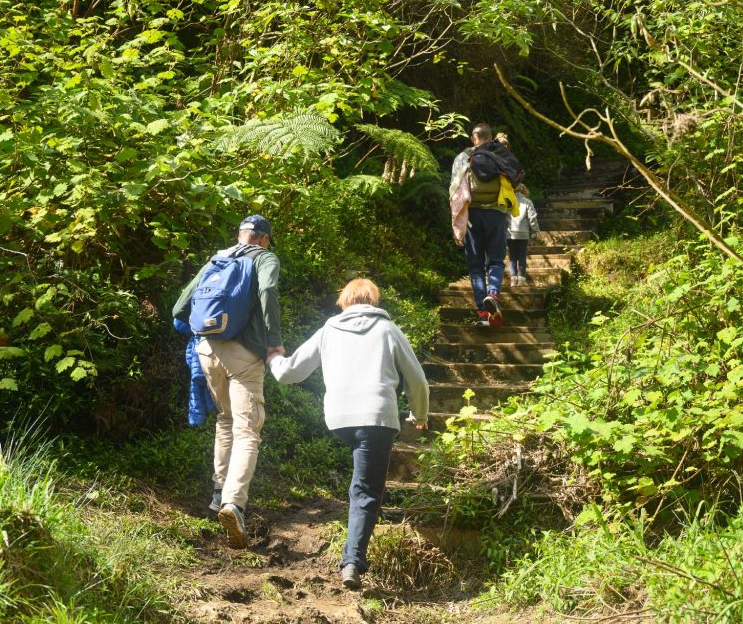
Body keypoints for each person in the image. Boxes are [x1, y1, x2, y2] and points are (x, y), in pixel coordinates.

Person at [267, 279, 429, 590]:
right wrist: (418, 416)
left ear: (344, 301)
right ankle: (352, 562)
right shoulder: (388, 330)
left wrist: (272, 357)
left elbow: (290, 373)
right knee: (366, 491)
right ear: (374, 300)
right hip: (377, 418)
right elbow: (418, 381)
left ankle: (352, 551)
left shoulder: (329, 330)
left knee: (362, 476)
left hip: (339, 419)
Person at [172, 215, 285, 548]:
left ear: (240, 235)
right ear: (263, 239)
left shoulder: (218, 257)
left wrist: (193, 332)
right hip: (244, 354)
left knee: (225, 419)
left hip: (207, 350)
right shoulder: (265, 258)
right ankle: (234, 503)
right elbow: (267, 290)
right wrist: (274, 341)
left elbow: (182, 304)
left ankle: (218, 491)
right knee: (247, 429)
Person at [449, 122, 508, 327]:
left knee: (475, 266)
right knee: (496, 261)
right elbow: (513, 182)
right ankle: (493, 295)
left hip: (473, 214)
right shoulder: (500, 154)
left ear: (474, 138)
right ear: (490, 137)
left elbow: (454, 189)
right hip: (497, 213)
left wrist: (457, 222)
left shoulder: (463, 157)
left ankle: (483, 314)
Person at [507, 183, 539, 286]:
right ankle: (521, 279)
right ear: (525, 192)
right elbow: (532, 218)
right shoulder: (527, 202)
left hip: (510, 233)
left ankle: (513, 279)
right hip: (523, 234)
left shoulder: (508, 202)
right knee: (522, 256)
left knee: (512, 257)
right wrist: (535, 231)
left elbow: (504, 218)